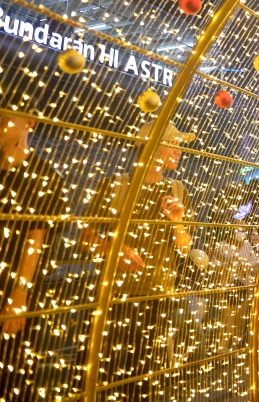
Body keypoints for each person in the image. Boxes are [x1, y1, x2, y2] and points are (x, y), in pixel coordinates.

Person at [77, 120, 194, 397]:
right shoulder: (116, 186)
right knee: (101, 376)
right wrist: (116, 250)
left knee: (144, 382)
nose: (179, 150)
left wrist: (177, 222)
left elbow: (184, 248)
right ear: (152, 147)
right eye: (173, 143)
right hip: (113, 298)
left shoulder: (178, 191)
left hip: (158, 299)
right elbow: (85, 238)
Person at [0, 90, 66, 400]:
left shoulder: (43, 176)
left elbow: (36, 238)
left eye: (3, 118)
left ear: (28, 123)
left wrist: (19, 294)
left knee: (12, 375)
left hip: (12, 292)